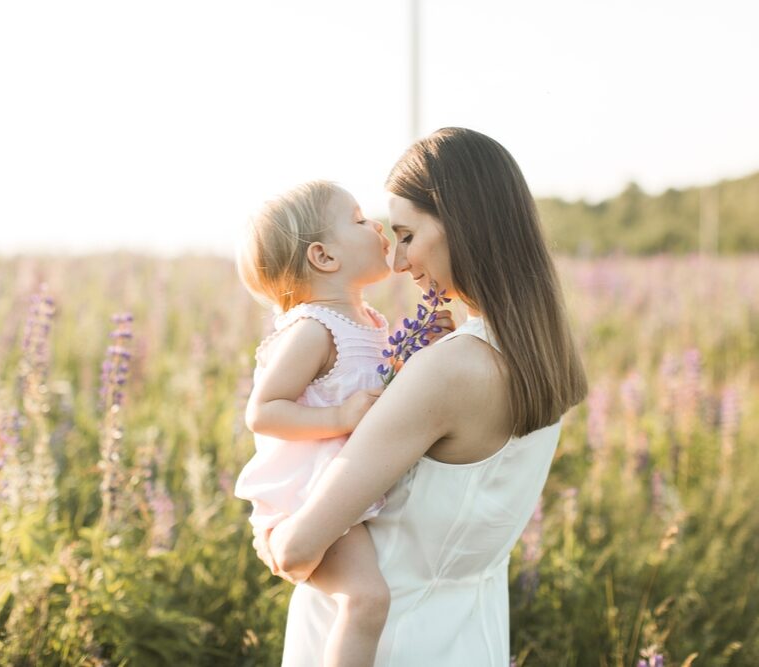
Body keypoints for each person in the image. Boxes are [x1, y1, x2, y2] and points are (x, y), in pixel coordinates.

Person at [256, 128, 589, 666]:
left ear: (462, 224)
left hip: (388, 644)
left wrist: (273, 537)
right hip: (470, 636)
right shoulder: (544, 350)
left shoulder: (451, 368)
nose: (398, 261)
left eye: (407, 235)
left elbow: (297, 550)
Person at [234, 180, 454, 666]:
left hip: (347, 487)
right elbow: (263, 411)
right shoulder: (313, 329)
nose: (376, 226)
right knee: (366, 601)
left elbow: (387, 388)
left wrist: (427, 347)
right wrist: (337, 416)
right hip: (309, 498)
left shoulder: (369, 321)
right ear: (324, 257)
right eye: (358, 221)